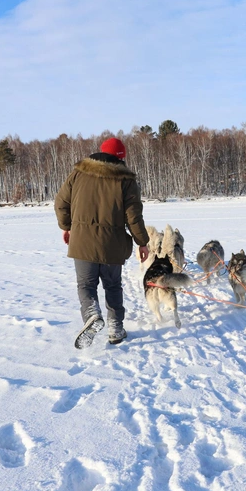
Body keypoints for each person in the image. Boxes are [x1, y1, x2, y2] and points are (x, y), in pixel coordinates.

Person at [55, 137, 150, 348]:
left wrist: (67, 227)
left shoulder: (79, 173)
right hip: (112, 245)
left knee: (86, 285)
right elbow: (133, 216)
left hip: (82, 242)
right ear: (121, 158)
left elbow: (61, 202)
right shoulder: (126, 180)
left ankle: (91, 313)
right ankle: (116, 328)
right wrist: (142, 242)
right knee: (113, 286)